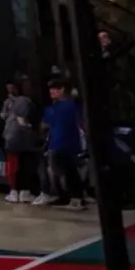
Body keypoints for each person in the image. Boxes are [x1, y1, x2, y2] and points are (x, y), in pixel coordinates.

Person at [42, 80, 85, 211]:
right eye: (51, 89)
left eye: (55, 89)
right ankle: (67, 197)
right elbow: (45, 126)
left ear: (62, 90)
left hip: (67, 143)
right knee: (59, 172)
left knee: (70, 171)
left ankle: (76, 199)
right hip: (55, 144)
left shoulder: (70, 106)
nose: (51, 91)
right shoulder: (52, 108)